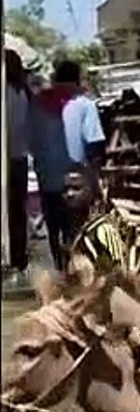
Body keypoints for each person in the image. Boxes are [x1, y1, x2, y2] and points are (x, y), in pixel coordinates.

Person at [28, 59, 107, 271]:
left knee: (54, 230)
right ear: (77, 79)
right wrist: (96, 179)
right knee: (77, 232)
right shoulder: (84, 104)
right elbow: (94, 145)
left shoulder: (37, 104)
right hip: (75, 180)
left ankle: (61, 271)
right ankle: (77, 279)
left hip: (46, 178)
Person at [4, 50, 31, 283]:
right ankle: (19, 258)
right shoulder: (24, 91)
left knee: (7, 211)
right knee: (17, 212)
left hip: (5, 161)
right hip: (20, 159)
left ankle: (9, 258)